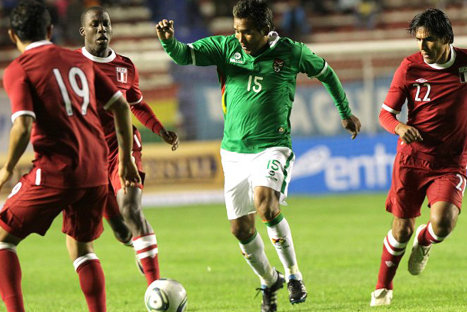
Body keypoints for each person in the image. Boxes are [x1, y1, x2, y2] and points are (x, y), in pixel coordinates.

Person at [156, 1, 361, 311]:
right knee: (241, 229)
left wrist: (345, 113)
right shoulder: (225, 47)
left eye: (247, 33)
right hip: (233, 152)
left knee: (266, 204)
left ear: (266, 30)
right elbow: (184, 55)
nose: (240, 38)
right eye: (237, 31)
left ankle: (293, 275)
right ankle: (270, 280)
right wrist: (169, 42)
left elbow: (327, 73)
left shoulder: (290, 52)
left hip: (273, 146)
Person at [0, 1, 140, 312]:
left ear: (12, 35)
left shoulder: (19, 69)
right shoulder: (77, 59)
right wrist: (127, 158)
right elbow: (121, 107)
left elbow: (23, 126)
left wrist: (6, 167)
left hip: (56, 170)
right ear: (50, 30)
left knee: (3, 239)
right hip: (96, 171)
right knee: (81, 247)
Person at [370, 8, 467, 306]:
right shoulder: (409, 67)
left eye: (430, 40)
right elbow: (386, 114)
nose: (423, 47)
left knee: (443, 223)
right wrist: (400, 126)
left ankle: (425, 240)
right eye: (419, 40)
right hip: (412, 159)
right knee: (401, 230)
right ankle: (383, 287)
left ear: (447, 39)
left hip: (451, 161)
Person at [77, 6, 179, 285]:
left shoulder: (125, 66)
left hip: (123, 149)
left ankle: (155, 287)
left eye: (106, 24)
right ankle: (138, 244)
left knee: (132, 210)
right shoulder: (71, 65)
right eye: (95, 25)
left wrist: (160, 129)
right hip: (88, 156)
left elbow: (137, 105)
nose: (102, 30)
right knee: (122, 230)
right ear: (83, 31)